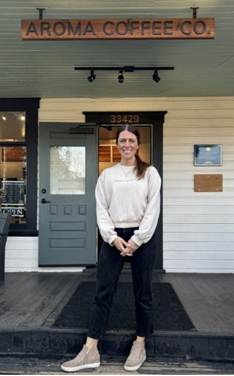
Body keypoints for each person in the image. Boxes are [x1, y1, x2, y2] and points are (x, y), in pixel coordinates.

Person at [61, 124, 161, 373]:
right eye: (122, 140)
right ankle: (90, 350)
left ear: (138, 143)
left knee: (143, 293)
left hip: (142, 238)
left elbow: (153, 209)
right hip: (112, 238)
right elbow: (101, 209)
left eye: (131, 140)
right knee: (102, 293)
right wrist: (111, 237)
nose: (126, 144)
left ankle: (139, 344)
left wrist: (138, 240)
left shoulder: (150, 173)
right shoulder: (107, 174)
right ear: (117, 144)